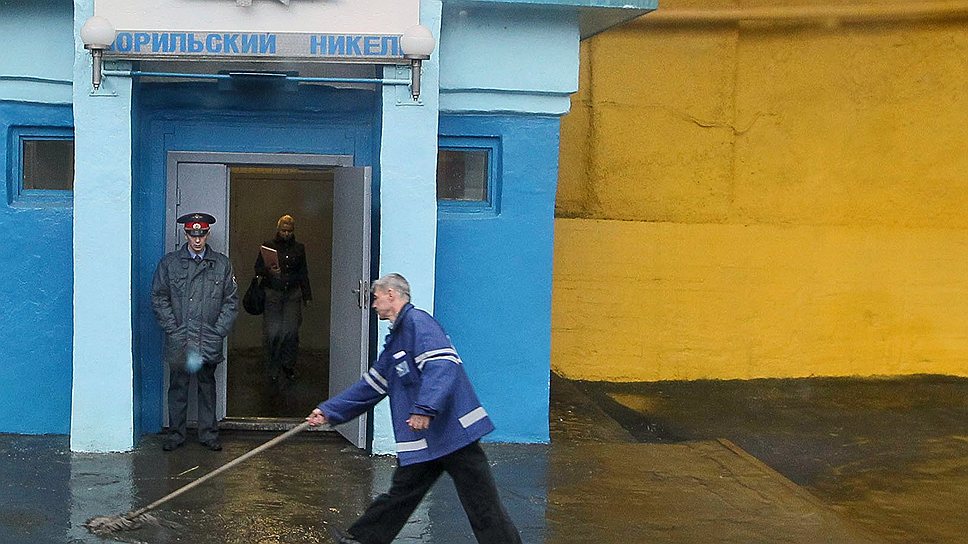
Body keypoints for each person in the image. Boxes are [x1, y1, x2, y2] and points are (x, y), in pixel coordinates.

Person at [306, 273, 522, 544]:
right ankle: (361, 540)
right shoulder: (397, 340)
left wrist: (424, 408)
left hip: (453, 434)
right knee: (400, 495)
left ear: (391, 295)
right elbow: (371, 386)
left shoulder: (420, 323)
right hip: (429, 440)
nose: (373, 304)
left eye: (376, 298)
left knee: (482, 504)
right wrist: (329, 411)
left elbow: (442, 365)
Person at [151, 212, 239, 452]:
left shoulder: (221, 264)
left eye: (201, 234)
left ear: (207, 234)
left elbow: (231, 301)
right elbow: (159, 297)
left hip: (207, 338)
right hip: (180, 338)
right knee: (178, 388)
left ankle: (208, 434)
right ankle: (175, 434)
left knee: (206, 387)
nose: (197, 240)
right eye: (192, 234)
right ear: (186, 234)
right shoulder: (170, 264)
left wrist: (218, 331)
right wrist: (173, 328)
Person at [255, 214, 312, 383]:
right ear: (278, 230)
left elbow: (303, 272)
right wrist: (269, 271)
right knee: (272, 333)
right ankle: (272, 367)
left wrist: (307, 295)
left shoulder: (299, 248)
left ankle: (288, 365)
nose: (286, 233)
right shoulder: (268, 246)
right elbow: (258, 268)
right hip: (273, 293)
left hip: (292, 294)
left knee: (291, 332)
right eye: (283, 230)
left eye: (289, 231)